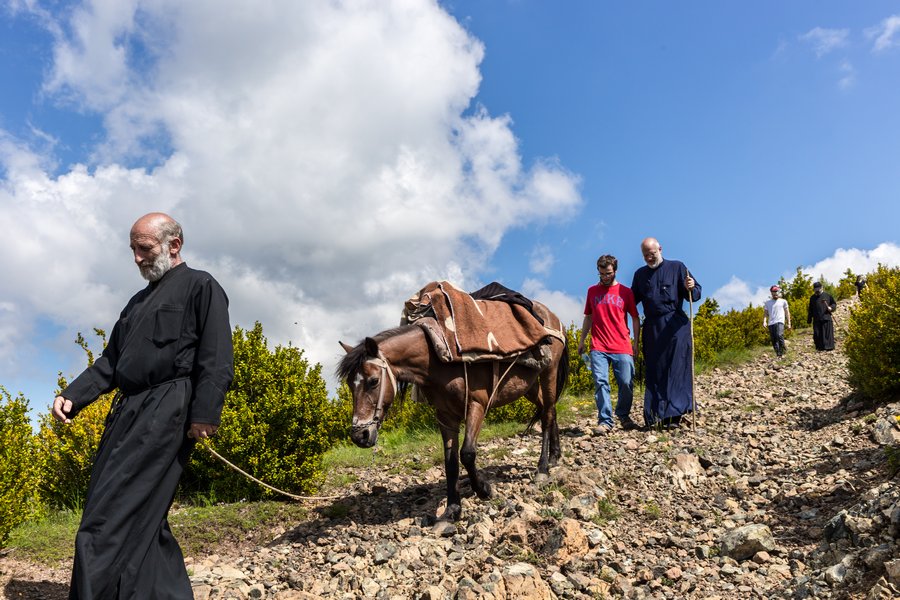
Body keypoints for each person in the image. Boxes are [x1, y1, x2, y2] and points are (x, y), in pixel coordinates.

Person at [52, 212, 234, 599]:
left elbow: (216, 356)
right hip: (128, 412)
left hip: (168, 410)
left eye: (144, 248)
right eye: (133, 249)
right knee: (143, 516)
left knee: (105, 516)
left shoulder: (201, 286)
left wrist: (205, 413)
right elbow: (111, 363)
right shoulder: (136, 302)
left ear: (174, 244)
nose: (137, 258)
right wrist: (74, 395)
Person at [630, 237, 701, 430]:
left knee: (676, 369)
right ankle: (656, 416)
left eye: (652, 254)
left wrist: (691, 287)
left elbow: (695, 294)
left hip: (675, 325)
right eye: (645, 255)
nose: (649, 258)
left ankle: (674, 415)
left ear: (660, 249)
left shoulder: (678, 267)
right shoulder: (640, 275)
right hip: (652, 327)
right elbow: (630, 301)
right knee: (655, 370)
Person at [577, 255, 641, 434]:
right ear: (598, 271)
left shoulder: (625, 292)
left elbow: (635, 318)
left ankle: (623, 415)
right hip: (598, 346)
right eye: (602, 273)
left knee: (626, 382)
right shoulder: (592, 291)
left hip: (622, 345)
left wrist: (636, 342)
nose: (605, 276)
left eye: (609, 273)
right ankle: (605, 421)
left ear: (615, 271)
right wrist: (582, 340)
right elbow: (588, 317)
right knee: (601, 382)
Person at [763, 285, 791, 357]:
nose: (775, 293)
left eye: (776, 291)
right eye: (773, 292)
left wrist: (789, 323)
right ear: (771, 293)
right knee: (774, 339)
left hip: (780, 321)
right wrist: (764, 321)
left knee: (779, 335)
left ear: (778, 292)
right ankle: (778, 354)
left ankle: (783, 351)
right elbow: (765, 313)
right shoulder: (767, 303)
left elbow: (787, 312)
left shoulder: (783, 301)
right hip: (771, 323)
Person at [807, 281, 837, 351]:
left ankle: (829, 348)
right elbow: (810, 309)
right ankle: (820, 348)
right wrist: (809, 319)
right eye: (815, 289)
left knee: (827, 334)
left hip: (826, 318)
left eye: (818, 289)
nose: (817, 291)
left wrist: (831, 308)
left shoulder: (827, 295)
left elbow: (834, 304)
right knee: (817, 335)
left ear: (822, 288)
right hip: (816, 319)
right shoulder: (812, 298)